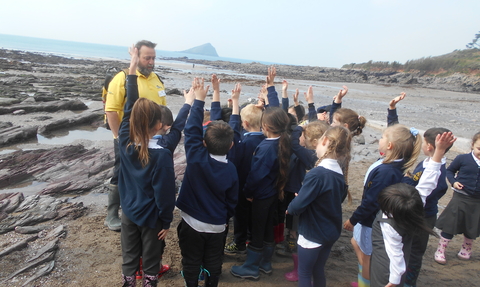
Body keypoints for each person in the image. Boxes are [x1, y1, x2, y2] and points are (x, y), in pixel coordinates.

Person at [118, 46, 175, 287]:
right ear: (158, 126)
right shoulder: (161, 156)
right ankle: (149, 283)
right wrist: (166, 221)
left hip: (128, 212)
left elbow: (129, 108)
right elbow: (165, 193)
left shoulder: (125, 142)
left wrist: (132, 69)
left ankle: (128, 283)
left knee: (129, 255)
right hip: (151, 218)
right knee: (151, 258)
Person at [370, 132, 456, 287]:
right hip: (401, 265)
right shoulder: (413, 205)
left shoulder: (389, 222)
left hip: (384, 269)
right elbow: (427, 182)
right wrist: (439, 152)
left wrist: (393, 281)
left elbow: (394, 253)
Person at [175, 77, 238, 287]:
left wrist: (198, 100)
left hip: (192, 223)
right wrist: (223, 216)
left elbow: (191, 129)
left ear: (203, 143)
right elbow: (232, 201)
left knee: (191, 261)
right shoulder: (231, 169)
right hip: (217, 226)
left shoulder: (196, 158)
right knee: (213, 261)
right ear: (231, 146)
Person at [344, 124, 422, 287]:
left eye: (382, 137)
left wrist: (353, 219)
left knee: (366, 257)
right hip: (372, 218)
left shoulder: (387, 171)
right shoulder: (394, 162)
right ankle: (365, 278)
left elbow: (371, 202)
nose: (378, 139)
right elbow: (403, 139)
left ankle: (364, 283)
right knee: (356, 244)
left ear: (390, 145)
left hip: (372, 221)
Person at [387, 93, 453, 286]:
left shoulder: (437, 170)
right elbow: (400, 138)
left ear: (431, 147)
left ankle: (409, 282)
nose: (421, 145)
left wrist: (409, 183)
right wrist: (392, 110)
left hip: (423, 216)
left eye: (424, 143)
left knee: (414, 252)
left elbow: (428, 190)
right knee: (404, 247)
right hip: (414, 213)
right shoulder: (428, 162)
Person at [104, 40, 166, 232]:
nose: (151, 62)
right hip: (127, 139)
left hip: (152, 138)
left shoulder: (156, 79)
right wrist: (118, 138)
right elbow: (112, 110)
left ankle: (140, 209)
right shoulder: (122, 78)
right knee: (120, 171)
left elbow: (162, 109)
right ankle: (112, 214)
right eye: (147, 58)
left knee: (147, 174)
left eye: (153, 58)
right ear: (136, 57)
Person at [230, 105, 291, 280]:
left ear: (265, 127)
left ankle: (251, 266)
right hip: (272, 193)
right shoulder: (282, 141)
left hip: (261, 196)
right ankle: (265, 262)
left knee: (257, 231)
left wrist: (248, 192)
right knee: (266, 229)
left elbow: (256, 175)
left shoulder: (266, 148)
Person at [287, 126, 352, 287]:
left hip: (312, 233)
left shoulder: (317, 174)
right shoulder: (339, 173)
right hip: (330, 231)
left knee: (304, 273)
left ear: (324, 141)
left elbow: (296, 207)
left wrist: (294, 204)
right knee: (318, 271)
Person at [282, 120, 330, 282]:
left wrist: (298, 128)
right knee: (297, 232)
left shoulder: (310, 155)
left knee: (298, 235)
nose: (300, 139)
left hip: (302, 198)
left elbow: (294, 144)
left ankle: (299, 269)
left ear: (314, 142)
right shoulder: (320, 156)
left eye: (303, 136)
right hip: (306, 197)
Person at [434, 131, 480, 265]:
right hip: (461, 198)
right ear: (472, 145)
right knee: (450, 224)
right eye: (479, 149)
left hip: (477, 201)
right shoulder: (463, 159)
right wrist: (453, 182)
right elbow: (449, 171)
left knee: (472, 225)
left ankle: (466, 248)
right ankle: (441, 249)